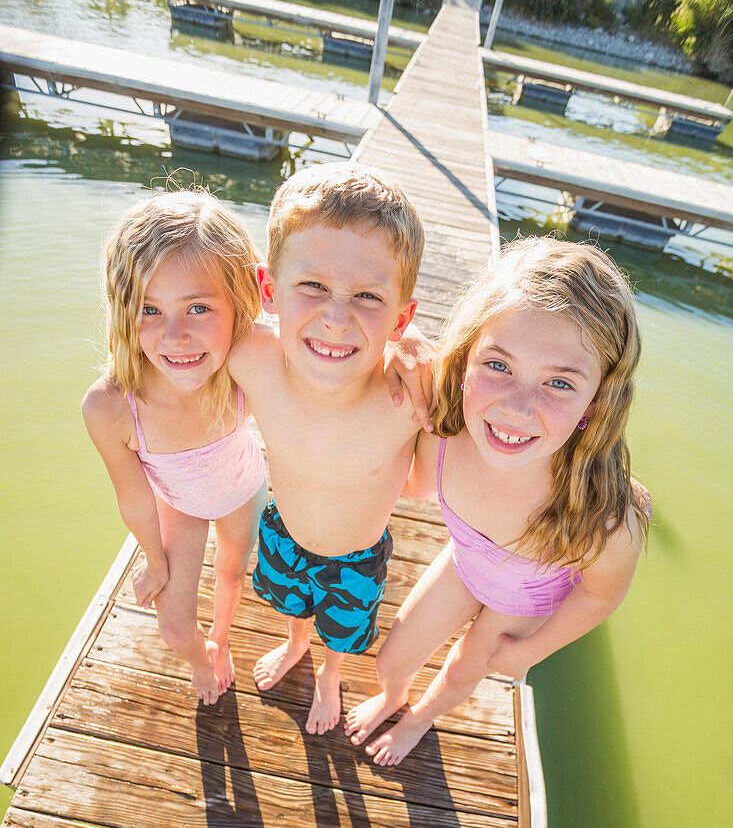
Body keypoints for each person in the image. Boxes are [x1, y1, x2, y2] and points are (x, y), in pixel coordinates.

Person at [83, 186, 432, 707]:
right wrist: (155, 558)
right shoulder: (222, 363)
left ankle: (279, 659)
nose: (177, 336)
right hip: (230, 518)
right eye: (148, 309)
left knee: (287, 602)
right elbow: (134, 494)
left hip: (300, 520)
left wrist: (416, 346)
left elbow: (333, 344)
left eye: (198, 308)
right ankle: (249, 651)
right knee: (232, 616)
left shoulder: (241, 363)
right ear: (268, 288)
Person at [345, 236, 651, 765]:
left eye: (558, 382)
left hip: (525, 601)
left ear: (596, 402)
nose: (516, 408)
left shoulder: (602, 518)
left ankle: (419, 719)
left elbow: (599, 597)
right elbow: (414, 482)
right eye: (499, 366)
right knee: (392, 658)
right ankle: (395, 696)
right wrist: (404, 342)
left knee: (464, 668)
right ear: (463, 360)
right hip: (466, 562)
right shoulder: (443, 431)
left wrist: (531, 651)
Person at [227, 163, 429, 735]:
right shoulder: (251, 358)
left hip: (358, 555)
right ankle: (295, 646)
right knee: (290, 605)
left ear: (401, 317)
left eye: (368, 297)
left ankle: (330, 673)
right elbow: (181, 333)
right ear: (269, 290)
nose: (336, 318)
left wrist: (419, 356)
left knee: (341, 628)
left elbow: (424, 485)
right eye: (311, 286)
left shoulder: (409, 398)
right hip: (281, 529)